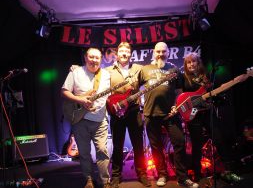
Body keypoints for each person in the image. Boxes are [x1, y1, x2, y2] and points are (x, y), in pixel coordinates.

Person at [138, 42, 199, 188]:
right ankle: (162, 175)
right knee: (156, 147)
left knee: (179, 143)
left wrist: (176, 106)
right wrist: (141, 104)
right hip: (151, 114)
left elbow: (179, 92)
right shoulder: (145, 69)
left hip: (171, 114)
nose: (160, 54)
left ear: (168, 53)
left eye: (163, 51)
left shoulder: (174, 69)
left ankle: (182, 177)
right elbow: (136, 89)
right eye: (158, 51)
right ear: (154, 52)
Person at [61, 47, 111, 188]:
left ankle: (105, 181)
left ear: (101, 59)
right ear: (85, 57)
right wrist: (80, 100)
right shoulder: (76, 72)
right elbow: (64, 91)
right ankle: (88, 179)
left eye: (97, 57)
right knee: (84, 153)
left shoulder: (107, 74)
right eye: (91, 57)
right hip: (80, 120)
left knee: (102, 151)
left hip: (100, 120)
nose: (94, 60)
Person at [105, 42, 150, 188]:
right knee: (117, 146)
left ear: (131, 54)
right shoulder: (108, 70)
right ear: (117, 54)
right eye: (121, 51)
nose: (124, 53)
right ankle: (116, 176)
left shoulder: (139, 69)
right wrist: (76, 69)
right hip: (117, 111)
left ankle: (142, 173)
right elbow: (93, 76)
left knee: (138, 145)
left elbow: (151, 76)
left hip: (134, 110)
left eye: (127, 51)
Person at [171, 52, 211, 182]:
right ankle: (197, 172)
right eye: (188, 62)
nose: (191, 64)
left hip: (205, 113)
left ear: (198, 63)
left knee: (210, 140)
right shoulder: (183, 78)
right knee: (196, 144)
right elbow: (179, 97)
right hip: (193, 115)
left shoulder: (206, 77)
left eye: (194, 61)